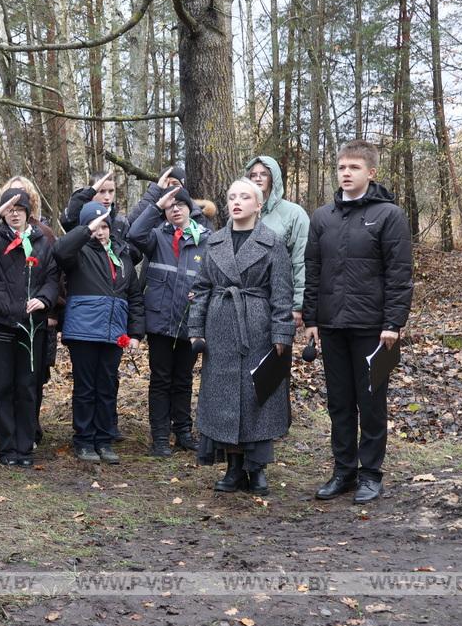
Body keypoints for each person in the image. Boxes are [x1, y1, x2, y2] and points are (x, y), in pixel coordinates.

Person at [305, 140, 413, 504]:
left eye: (354, 167)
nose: (346, 173)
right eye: (341, 168)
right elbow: (313, 269)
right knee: (339, 401)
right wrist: (311, 319)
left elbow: (399, 274)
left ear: (371, 172)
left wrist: (393, 323)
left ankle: (371, 474)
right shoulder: (322, 217)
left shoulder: (389, 215)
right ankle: (344, 471)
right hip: (333, 324)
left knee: (371, 401)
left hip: (374, 328)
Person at [188, 179, 295, 496]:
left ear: (258, 204)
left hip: (257, 326)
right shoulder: (215, 241)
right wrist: (196, 329)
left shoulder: (272, 243)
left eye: (245, 197)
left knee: (256, 396)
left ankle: (257, 468)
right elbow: (202, 288)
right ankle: (233, 468)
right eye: (232, 196)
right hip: (219, 328)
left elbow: (282, 293)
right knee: (222, 396)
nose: (236, 202)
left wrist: (281, 332)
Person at [0, 187, 60, 467]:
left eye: (19, 209)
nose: (15, 214)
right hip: (1, 323)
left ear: (28, 212)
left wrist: (43, 300)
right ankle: (6, 448)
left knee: (27, 386)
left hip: (32, 326)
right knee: (4, 386)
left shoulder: (42, 240)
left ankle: (24, 446)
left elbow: (53, 277)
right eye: (10, 209)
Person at [54, 202, 144, 464]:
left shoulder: (122, 253)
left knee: (107, 388)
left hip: (114, 334)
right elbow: (60, 250)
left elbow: (135, 297)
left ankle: (103, 440)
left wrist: (136, 332)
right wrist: (85, 231)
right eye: (95, 227)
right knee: (86, 389)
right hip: (83, 332)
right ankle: (83, 440)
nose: (101, 232)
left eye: (105, 226)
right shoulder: (78, 252)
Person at [127, 185, 212, 457]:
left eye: (180, 205)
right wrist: (155, 205)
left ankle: (183, 432)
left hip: (190, 322)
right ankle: (160, 437)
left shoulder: (206, 240)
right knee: (161, 379)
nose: (175, 209)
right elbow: (134, 234)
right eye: (170, 206)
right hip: (160, 321)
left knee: (184, 379)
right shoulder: (156, 236)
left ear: (190, 208)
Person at [245, 156, 310, 327]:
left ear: (274, 177)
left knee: (277, 350)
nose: (258, 178)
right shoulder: (241, 212)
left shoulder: (294, 213)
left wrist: (298, 304)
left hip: (279, 299)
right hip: (245, 299)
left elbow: (301, 261)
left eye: (264, 174)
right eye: (253, 175)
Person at [59, 170, 130, 238]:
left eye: (111, 191)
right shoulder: (77, 216)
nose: (107, 197)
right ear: (92, 192)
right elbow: (66, 223)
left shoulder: (121, 222)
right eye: (102, 191)